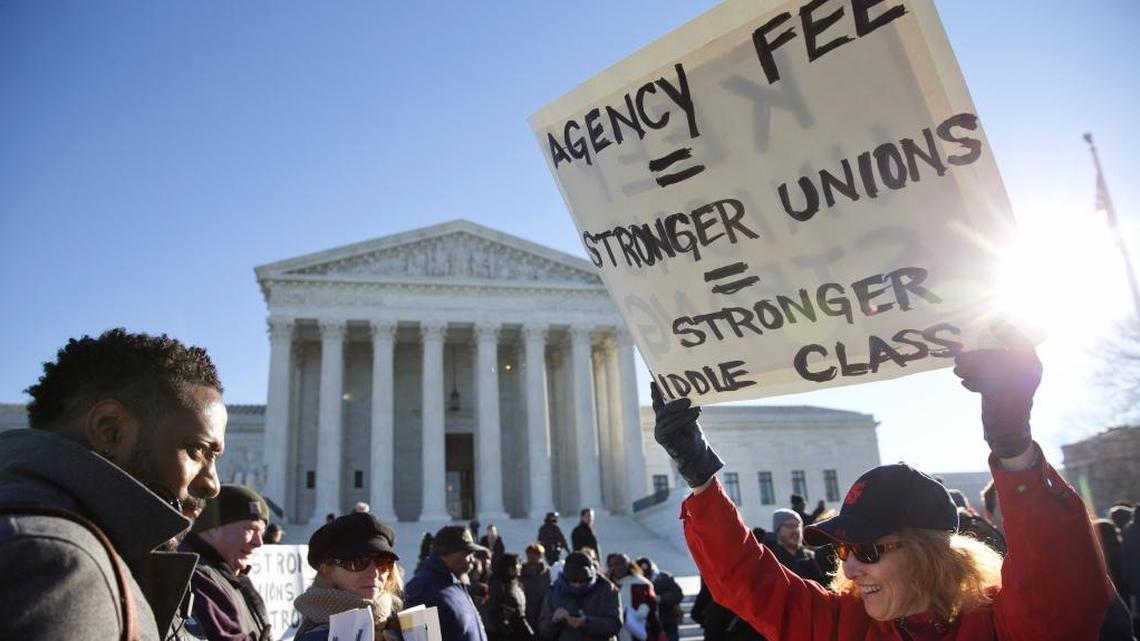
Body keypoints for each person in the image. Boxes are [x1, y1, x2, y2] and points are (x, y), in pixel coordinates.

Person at [652, 324, 1113, 640]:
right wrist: (699, 476)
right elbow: (746, 581)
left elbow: (1061, 589)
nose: (849, 570)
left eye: (868, 550)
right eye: (844, 551)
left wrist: (1014, 447)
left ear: (928, 553)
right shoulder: (844, 623)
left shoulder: (999, 624)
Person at [0, 328, 225, 640]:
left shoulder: (111, 553)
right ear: (110, 431)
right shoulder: (58, 564)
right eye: (197, 450)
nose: (212, 483)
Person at [294, 512, 404, 641]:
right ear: (326, 570)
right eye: (357, 563)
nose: (374, 572)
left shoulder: (400, 628)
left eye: (383, 563)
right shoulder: (317, 637)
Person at [182, 484, 272, 640]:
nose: (258, 543)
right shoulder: (196, 578)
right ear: (212, 528)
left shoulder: (232, 577)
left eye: (261, 533)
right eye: (249, 529)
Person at [405, 525, 489, 641]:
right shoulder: (423, 589)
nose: (471, 560)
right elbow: (420, 639)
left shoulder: (454, 585)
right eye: (466, 553)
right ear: (444, 554)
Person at [539, 551, 621, 641]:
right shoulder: (554, 591)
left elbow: (615, 624)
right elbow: (544, 629)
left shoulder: (607, 589)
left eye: (582, 582)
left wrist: (587, 622)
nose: (577, 585)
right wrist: (553, 620)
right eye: (573, 582)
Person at [607, 553, 663, 641]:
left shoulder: (641, 584)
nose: (617, 568)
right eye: (613, 565)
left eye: (620, 563)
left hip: (638, 634)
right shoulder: (605, 586)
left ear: (628, 564)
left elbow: (652, 614)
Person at [763, 509, 827, 585]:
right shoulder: (772, 559)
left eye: (797, 526)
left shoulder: (811, 556)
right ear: (778, 530)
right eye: (789, 526)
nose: (795, 530)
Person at [485, 552, 536, 641]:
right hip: (507, 633)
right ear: (510, 568)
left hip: (520, 628)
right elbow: (494, 610)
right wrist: (506, 629)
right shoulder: (499, 584)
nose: (520, 566)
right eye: (517, 564)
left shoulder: (516, 583)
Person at [635, 557, 684, 641]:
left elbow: (677, 594)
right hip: (645, 626)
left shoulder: (665, 578)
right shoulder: (634, 582)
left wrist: (661, 598)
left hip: (667, 624)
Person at [521, 543, 551, 632]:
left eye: (535, 554)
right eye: (529, 554)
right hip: (526, 608)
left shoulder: (546, 572)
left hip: (542, 609)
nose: (531, 556)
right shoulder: (521, 571)